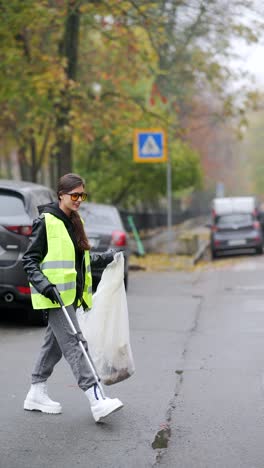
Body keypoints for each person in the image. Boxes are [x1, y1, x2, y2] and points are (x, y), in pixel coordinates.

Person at [22, 173, 123, 423]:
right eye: (74, 195)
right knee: (77, 344)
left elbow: (81, 261)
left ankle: (36, 390)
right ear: (61, 195)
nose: (78, 199)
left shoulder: (74, 222)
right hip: (55, 296)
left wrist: (106, 257)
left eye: (82, 195)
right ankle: (96, 398)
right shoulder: (46, 222)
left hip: (70, 296)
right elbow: (29, 260)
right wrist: (45, 286)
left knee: (54, 345)